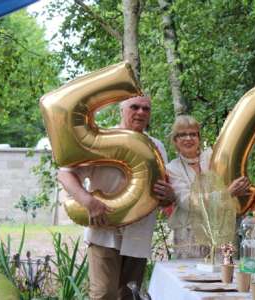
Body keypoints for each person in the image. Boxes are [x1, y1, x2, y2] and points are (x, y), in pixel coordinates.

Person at [57, 95, 175, 300]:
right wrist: (87, 201)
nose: (140, 112)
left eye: (146, 109)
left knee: (130, 295)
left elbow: (164, 191)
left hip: (139, 236)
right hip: (104, 232)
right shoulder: (101, 139)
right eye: (134, 107)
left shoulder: (157, 146)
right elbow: (65, 173)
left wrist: (169, 196)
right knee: (104, 295)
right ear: (122, 110)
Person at [166, 115, 250, 258]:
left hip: (222, 230)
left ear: (199, 138)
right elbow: (188, 202)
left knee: (223, 276)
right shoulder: (172, 168)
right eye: (182, 135)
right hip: (189, 236)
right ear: (175, 140)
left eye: (193, 134)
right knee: (191, 278)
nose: (188, 138)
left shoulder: (212, 156)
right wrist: (227, 193)